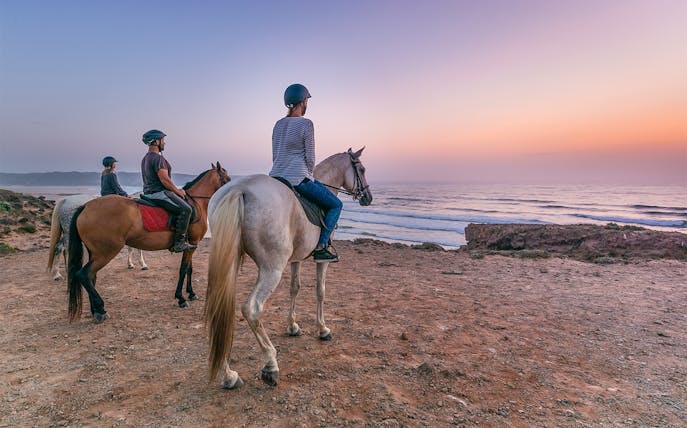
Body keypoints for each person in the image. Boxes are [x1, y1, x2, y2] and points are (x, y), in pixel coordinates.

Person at [269, 83, 342, 263]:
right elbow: (310, 157)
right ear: (303, 102)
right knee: (336, 205)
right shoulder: (306, 124)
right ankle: (322, 247)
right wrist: (309, 174)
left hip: (276, 177)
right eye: (307, 100)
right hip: (298, 178)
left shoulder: (278, 125)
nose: (307, 103)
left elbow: (274, 155)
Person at [140, 129, 196, 253]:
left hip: (148, 194)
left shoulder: (145, 158)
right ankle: (179, 243)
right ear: (156, 141)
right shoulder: (158, 159)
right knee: (187, 209)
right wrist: (178, 191)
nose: (164, 143)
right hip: (159, 193)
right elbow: (165, 180)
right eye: (163, 140)